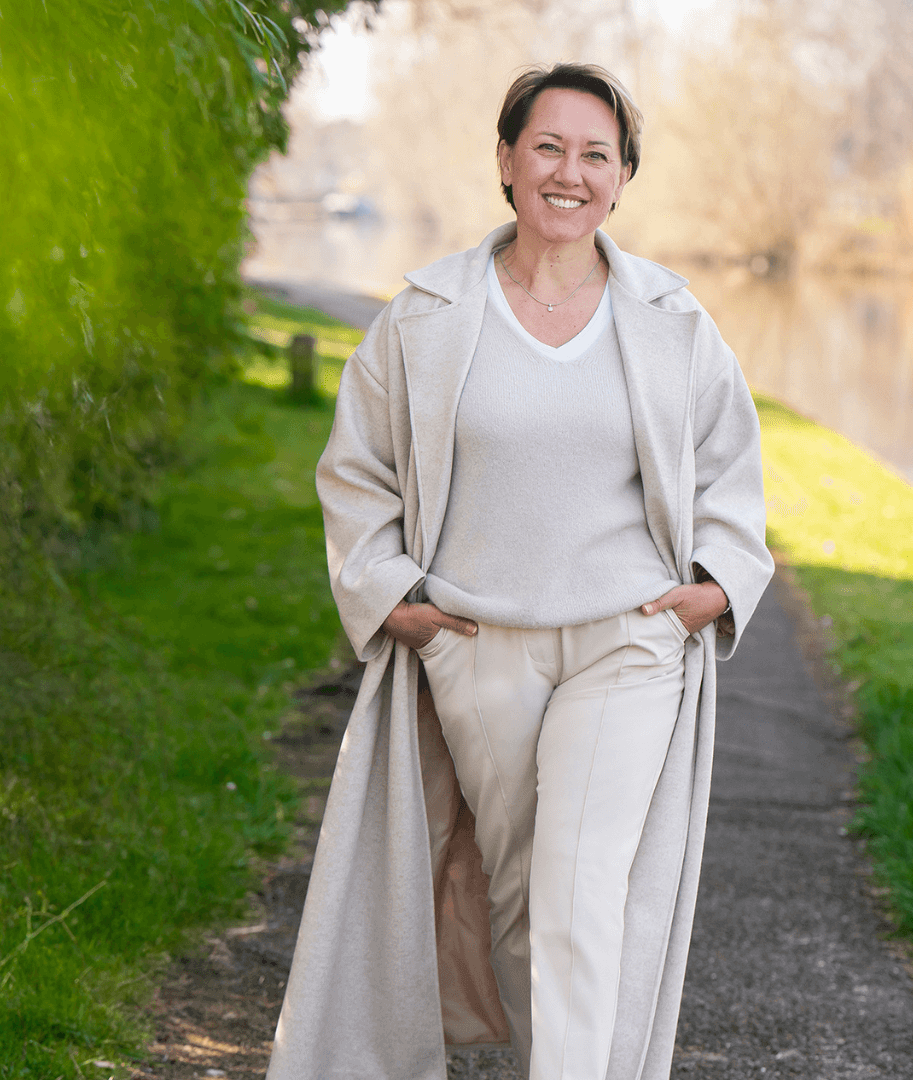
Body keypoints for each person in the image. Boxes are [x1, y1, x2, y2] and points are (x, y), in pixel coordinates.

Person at [265, 63, 773, 1080]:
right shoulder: (427, 315)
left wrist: (715, 584)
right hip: (477, 642)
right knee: (516, 893)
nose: (569, 173)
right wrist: (393, 595)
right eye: (548, 147)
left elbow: (729, 466)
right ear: (507, 160)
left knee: (582, 890)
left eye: (597, 154)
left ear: (624, 177)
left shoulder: (672, 320)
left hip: (627, 641)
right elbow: (355, 470)